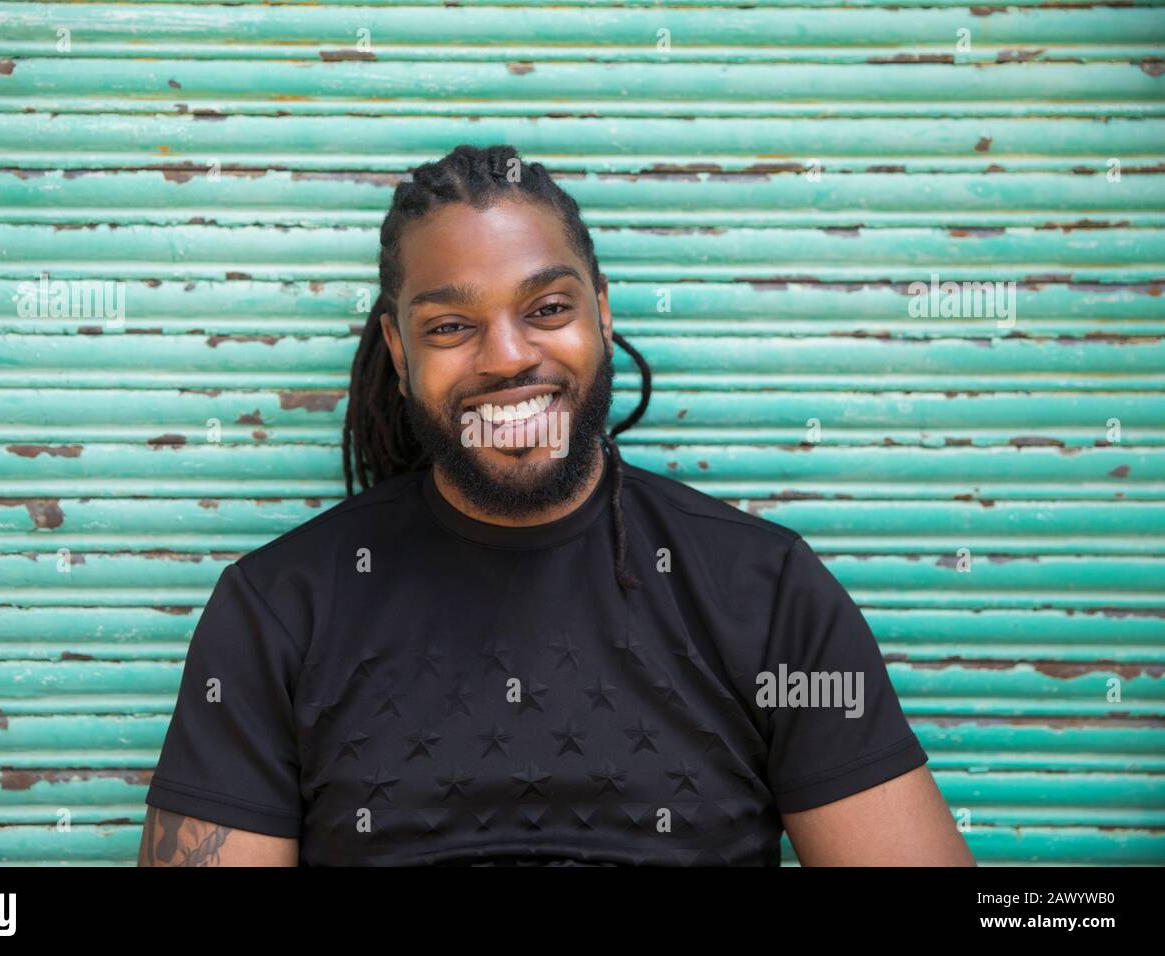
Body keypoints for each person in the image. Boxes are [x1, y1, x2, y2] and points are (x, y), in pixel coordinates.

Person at [138, 144, 974, 867]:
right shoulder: (278, 612)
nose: (509, 358)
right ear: (397, 350)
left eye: (547, 309)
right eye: (450, 326)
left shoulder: (764, 592)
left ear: (601, 314)